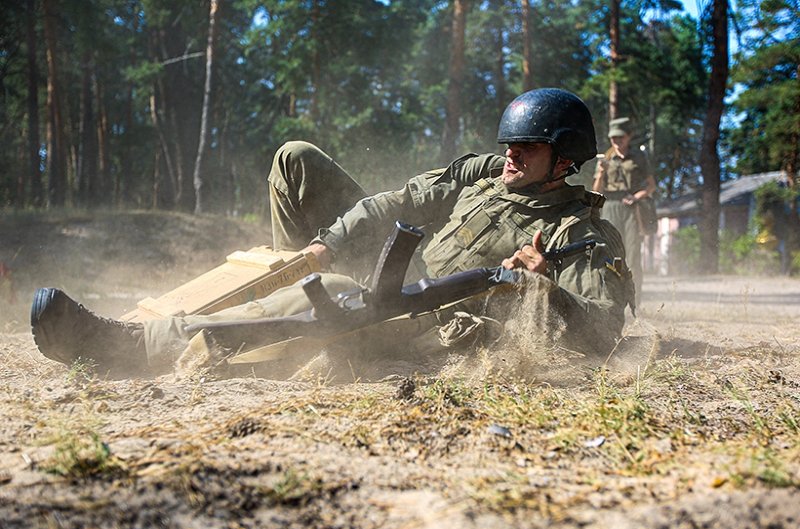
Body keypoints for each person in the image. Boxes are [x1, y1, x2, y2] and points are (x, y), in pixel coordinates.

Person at [31, 88, 634, 379]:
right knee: (296, 160)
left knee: (328, 290)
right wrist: (327, 240)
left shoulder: (579, 232)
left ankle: (128, 348)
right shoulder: (483, 173)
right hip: (402, 270)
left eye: (525, 148)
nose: (509, 157)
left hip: (436, 317)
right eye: (508, 144)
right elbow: (399, 201)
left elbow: (605, 327)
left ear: (563, 161)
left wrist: (542, 290)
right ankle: (285, 288)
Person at [592, 117, 656, 304]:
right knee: (610, 255)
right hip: (610, 207)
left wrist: (636, 197)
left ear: (629, 137)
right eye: (613, 138)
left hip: (631, 208)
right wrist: (602, 172)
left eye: (620, 137)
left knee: (633, 256)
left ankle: (635, 302)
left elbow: (651, 186)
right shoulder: (606, 158)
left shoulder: (639, 158)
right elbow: (596, 190)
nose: (617, 141)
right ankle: (612, 301)